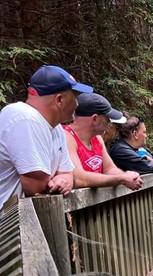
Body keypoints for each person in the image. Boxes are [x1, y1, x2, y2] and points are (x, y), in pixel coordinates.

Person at [0, 65, 94, 209]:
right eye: (75, 97)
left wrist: (63, 179)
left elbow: (68, 173)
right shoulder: (24, 118)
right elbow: (35, 187)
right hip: (6, 227)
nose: (77, 103)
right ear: (59, 100)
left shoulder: (55, 128)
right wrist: (57, 179)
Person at [62, 93, 143, 190]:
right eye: (107, 118)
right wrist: (120, 178)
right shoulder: (66, 137)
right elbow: (79, 178)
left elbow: (109, 168)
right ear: (95, 119)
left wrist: (128, 176)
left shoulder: (97, 138)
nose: (109, 123)